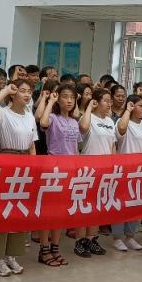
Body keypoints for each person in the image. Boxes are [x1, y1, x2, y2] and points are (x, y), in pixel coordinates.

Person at [0, 80, 36, 276]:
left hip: (25, 163)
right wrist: (6, 90)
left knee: (18, 210)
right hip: (7, 160)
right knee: (4, 210)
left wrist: (33, 166)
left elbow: (32, 145)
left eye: (29, 91)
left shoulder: (30, 116)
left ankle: (11, 255)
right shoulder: (4, 113)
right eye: (22, 90)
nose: (27, 94)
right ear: (14, 94)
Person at [40, 85, 81, 262]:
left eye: (72, 97)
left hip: (69, 169)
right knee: (49, 211)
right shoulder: (53, 118)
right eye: (65, 96)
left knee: (60, 211)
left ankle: (55, 247)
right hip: (54, 168)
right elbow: (43, 123)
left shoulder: (74, 122)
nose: (69, 100)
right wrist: (51, 101)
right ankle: (44, 249)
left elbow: (76, 148)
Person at [77, 88, 115, 254]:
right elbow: (83, 128)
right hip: (88, 168)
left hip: (105, 169)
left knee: (97, 206)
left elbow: (112, 145)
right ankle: (80, 240)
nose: (109, 103)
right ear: (96, 102)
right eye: (105, 100)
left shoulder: (110, 121)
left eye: (109, 100)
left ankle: (91, 238)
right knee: (84, 205)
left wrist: (114, 165)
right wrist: (88, 108)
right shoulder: (88, 117)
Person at [114, 95, 142, 252]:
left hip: (141, 172)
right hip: (125, 171)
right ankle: (117, 237)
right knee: (121, 204)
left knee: (135, 204)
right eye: (140, 105)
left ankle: (130, 236)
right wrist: (127, 111)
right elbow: (120, 130)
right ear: (131, 106)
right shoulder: (123, 121)